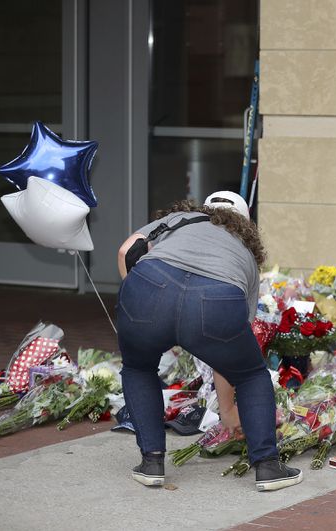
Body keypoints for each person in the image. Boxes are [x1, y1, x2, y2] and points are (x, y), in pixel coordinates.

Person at [116, 191, 302, 491]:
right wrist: (228, 411)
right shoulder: (246, 257)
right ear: (245, 224)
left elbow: (127, 250)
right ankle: (267, 467)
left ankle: (152, 463)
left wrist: (141, 305)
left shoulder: (178, 220)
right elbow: (228, 353)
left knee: (138, 367)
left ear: (204, 208)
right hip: (218, 297)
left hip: (149, 285)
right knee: (252, 374)